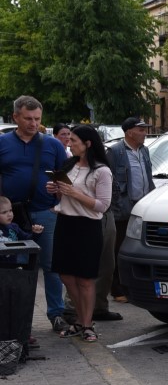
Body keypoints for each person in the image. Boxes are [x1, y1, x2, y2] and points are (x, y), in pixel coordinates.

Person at [0, 96, 71, 333]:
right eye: (28, 118)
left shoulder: (53, 145)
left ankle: (56, 314)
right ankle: (13, 320)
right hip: (9, 216)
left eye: (37, 119)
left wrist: (58, 198)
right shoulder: (2, 143)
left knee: (51, 265)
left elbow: (64, 180)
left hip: (45, 212)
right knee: (10, 266)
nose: (33, 123)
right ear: (15, 117)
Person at [45, 124, 112, 342]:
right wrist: (56, 191)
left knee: (85, 278)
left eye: (74, 140)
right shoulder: (69, 165)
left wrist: (74, 193)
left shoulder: (101, 170)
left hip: (87, 226)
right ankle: (80, 320)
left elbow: (102, 205)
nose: (69, 143)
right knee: (65, 275)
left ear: (87, 144)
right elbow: (63, 197)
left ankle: (87, 324)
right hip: (65, 222)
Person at [107, 116, 156, 303]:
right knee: (119, 248)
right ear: (129, 132)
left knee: (141, 248)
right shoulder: (115, 151)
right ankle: (116, 288)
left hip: (143, 207)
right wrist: (114, 204)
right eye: (141, 130)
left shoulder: (144, 150)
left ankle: (138, 285)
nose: (145, 133)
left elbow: (148, 177)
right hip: (123, 207)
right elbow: (108, 180)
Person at [0, 194, 44, 264]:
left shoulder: (14, 227)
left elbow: (28, 240)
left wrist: (36, 233)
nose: (9, 214)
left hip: (13, 265)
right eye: (4, 212)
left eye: (10, 210)